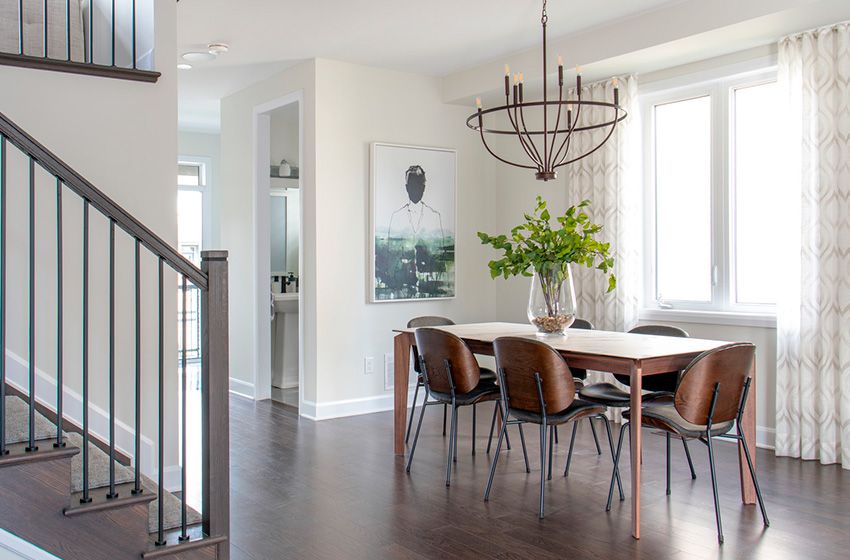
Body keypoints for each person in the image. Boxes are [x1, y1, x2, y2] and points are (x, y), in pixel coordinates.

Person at [376, 165, 452, 299]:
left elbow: (440, 254)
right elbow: (390, 255)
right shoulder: (396, 216)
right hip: (402, 288)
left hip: (429, 286)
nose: (416, 188)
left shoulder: (434, 216)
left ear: (424, 187)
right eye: (412, 185)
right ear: (406, 187)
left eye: (419, 184)